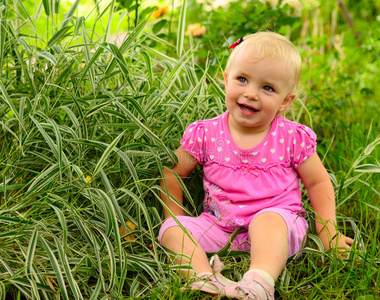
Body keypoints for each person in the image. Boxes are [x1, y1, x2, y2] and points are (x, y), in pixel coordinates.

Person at [158, 32, 354, 299]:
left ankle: (258, 282)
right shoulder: (206, 134)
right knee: (171, 230)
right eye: (242, 79)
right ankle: (203, 279)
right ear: (226, 79)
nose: (251, 94)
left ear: (285, 101)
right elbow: (173, 172)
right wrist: (175, 217)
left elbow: (318, 182)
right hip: (220, 227)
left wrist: (329, 234)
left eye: (268, 88)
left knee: (267, 219)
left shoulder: (290, 138)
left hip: (277, 230)